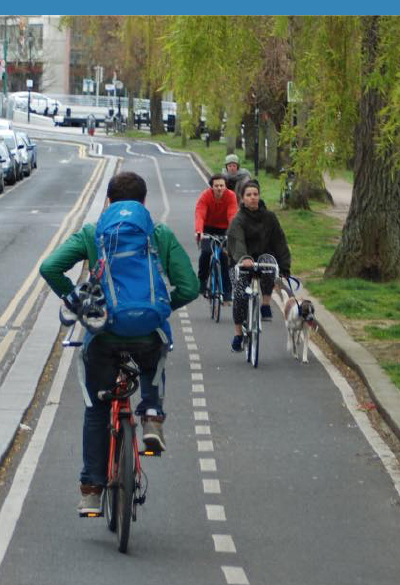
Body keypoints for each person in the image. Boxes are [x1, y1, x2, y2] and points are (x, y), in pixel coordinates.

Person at [39, 171, 199, 515]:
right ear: (144, 203)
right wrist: (160, 309)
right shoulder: (159, 235)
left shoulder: (92, 233)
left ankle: (91, 490)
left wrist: (79, 302)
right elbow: (190, 287)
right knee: (155, 352)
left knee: (96, 409)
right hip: (146, 336)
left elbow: (50, 267)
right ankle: (152, 417)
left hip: (104, 336)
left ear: (108, 202)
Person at [226, 180, 292, 352]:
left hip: (261, 260)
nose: (253, 198)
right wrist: (244, 258)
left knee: (270, 262)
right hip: (240, 262)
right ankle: (238, 334)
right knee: (240, 295)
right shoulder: (237, 220)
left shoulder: (270, 218)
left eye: (255, 194)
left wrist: (285, 267)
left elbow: (279, 242)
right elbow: (237, 242)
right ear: (242, 198)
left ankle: (265, 304)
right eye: (248, 195)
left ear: (259, 196)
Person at [195, 173, 239, 302]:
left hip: (225, 228)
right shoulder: (205, 196)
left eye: (222, 186)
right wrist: (199, 231)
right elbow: (200, 214)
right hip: (208, 228)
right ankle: (202, 282)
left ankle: (227, 291)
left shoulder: (231, 196)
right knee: (206, 252)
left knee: (225, 258)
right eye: (216, 186)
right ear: (211, 187)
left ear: (225, 186)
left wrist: (232, 232)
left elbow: (232, 214)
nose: (219, 188)